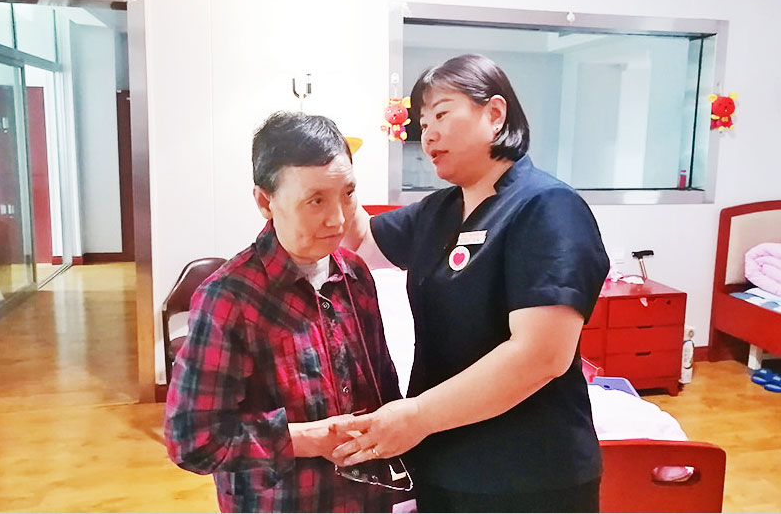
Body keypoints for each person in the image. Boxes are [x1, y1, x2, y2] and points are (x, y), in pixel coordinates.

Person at [334, 54, 610, 512]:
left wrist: (417, 416)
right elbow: (361, 241)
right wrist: (338, 180)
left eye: (442, 114)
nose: (428, 135)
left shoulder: (547, 207)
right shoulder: (439, 211)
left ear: (495, 114)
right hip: (442, 462)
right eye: (424, 123)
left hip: (527, 476)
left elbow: (542, 355)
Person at [164, 111, 403, 513]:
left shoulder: (355, 274)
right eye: (316, 200)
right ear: (265, 201)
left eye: (348, 194)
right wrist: (309, 438)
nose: (338, 219)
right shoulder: (229, 298)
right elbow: (193, 440)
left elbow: (382, 387)